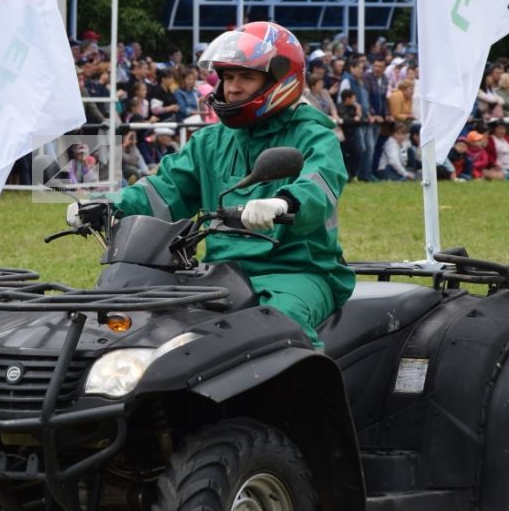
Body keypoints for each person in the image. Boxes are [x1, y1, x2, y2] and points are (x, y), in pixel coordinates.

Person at [69, 22, 354, 348]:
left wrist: (284, 202)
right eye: (228, 77)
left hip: (297, 273)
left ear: (279, 80)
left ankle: (305, 397)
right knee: (157, 325)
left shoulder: (313, 135)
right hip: (221, 274)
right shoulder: (210, 142)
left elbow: (320, 182)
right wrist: (108, 203)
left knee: (278, 328)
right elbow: (165, 190)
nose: (232, 88)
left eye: (246, 77)